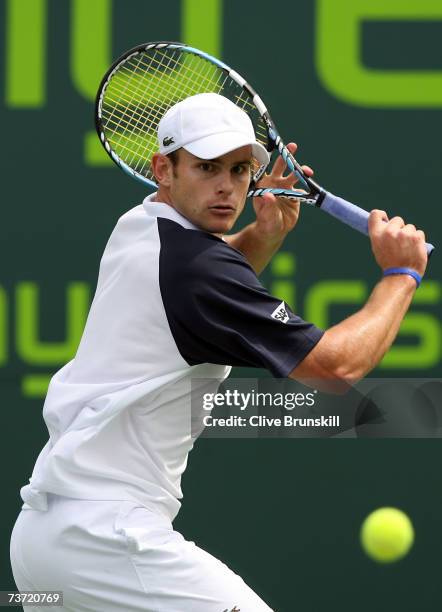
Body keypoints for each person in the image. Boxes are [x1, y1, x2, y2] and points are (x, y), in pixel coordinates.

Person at [10, 93, 427, 612]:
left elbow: (202, 285)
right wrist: (401, 275)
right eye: (207, 167)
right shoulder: (198, 269)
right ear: (164, 168)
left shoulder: (142, 227)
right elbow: (337, 366)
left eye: (239, 168)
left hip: (42, 545)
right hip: (107, 540)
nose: (228, 186)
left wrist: (264, 236)